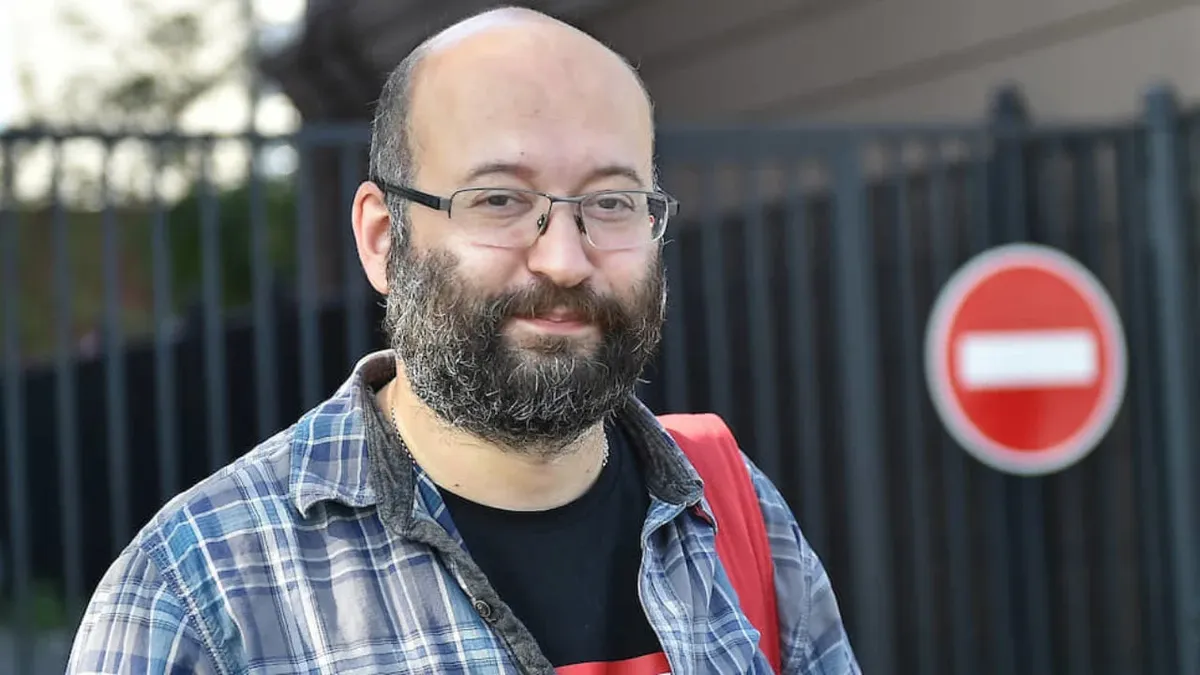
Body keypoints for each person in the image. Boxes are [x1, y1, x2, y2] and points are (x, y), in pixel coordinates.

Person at [67, 7, 860, 674]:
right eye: (499, 200)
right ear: (383, 239)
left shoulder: (735, 513)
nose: (564, 258)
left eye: (612, 201)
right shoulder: (198, 592)